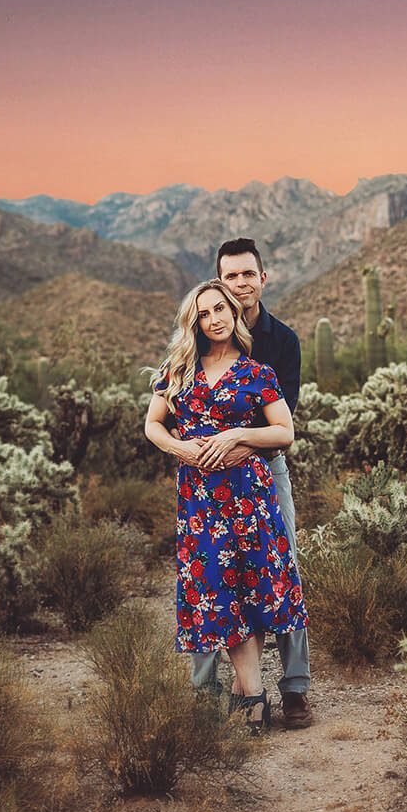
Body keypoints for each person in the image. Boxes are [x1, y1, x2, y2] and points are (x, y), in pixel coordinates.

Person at [143, 278, 307, 733]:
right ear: (192, 321)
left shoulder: (257, 373)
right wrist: (183, 450)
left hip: (249, 495)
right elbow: (153, 426)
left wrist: (239, 436)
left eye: (221, 309)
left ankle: (249, 694)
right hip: (199, 499)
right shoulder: (177, 371)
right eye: (204, 313)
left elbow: (283, 432)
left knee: (248, 591)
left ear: (235, 315)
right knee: (219, 592)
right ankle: (251, 692)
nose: (214, 319)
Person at [185, 238, 315, 729]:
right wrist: (200, 454)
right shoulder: (197, 341)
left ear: (264, 278)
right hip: (207, 480)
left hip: (264, 470)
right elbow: (177, 414)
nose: (240, 284)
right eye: (230, 276)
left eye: (247, 275)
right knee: (211, 578)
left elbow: (282, 426)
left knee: (282, 568)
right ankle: (206, 690)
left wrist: (235, 444)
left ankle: (295, 688)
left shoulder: (282, 342)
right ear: (219, 282)